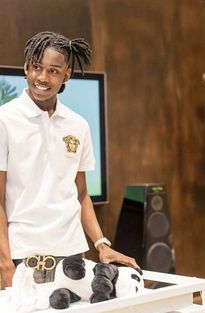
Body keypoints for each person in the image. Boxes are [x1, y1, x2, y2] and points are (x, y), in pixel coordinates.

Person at [0, 31, 138, 289]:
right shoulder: (4, 120)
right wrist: (4, 260)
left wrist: (100, 243)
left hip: (73, 255)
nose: (42, 77)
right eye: (37, 67)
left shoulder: (78, 125)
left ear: (67, 75)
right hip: (23, 259)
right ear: (27, 68)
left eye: (53, 71)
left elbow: (81, 193)